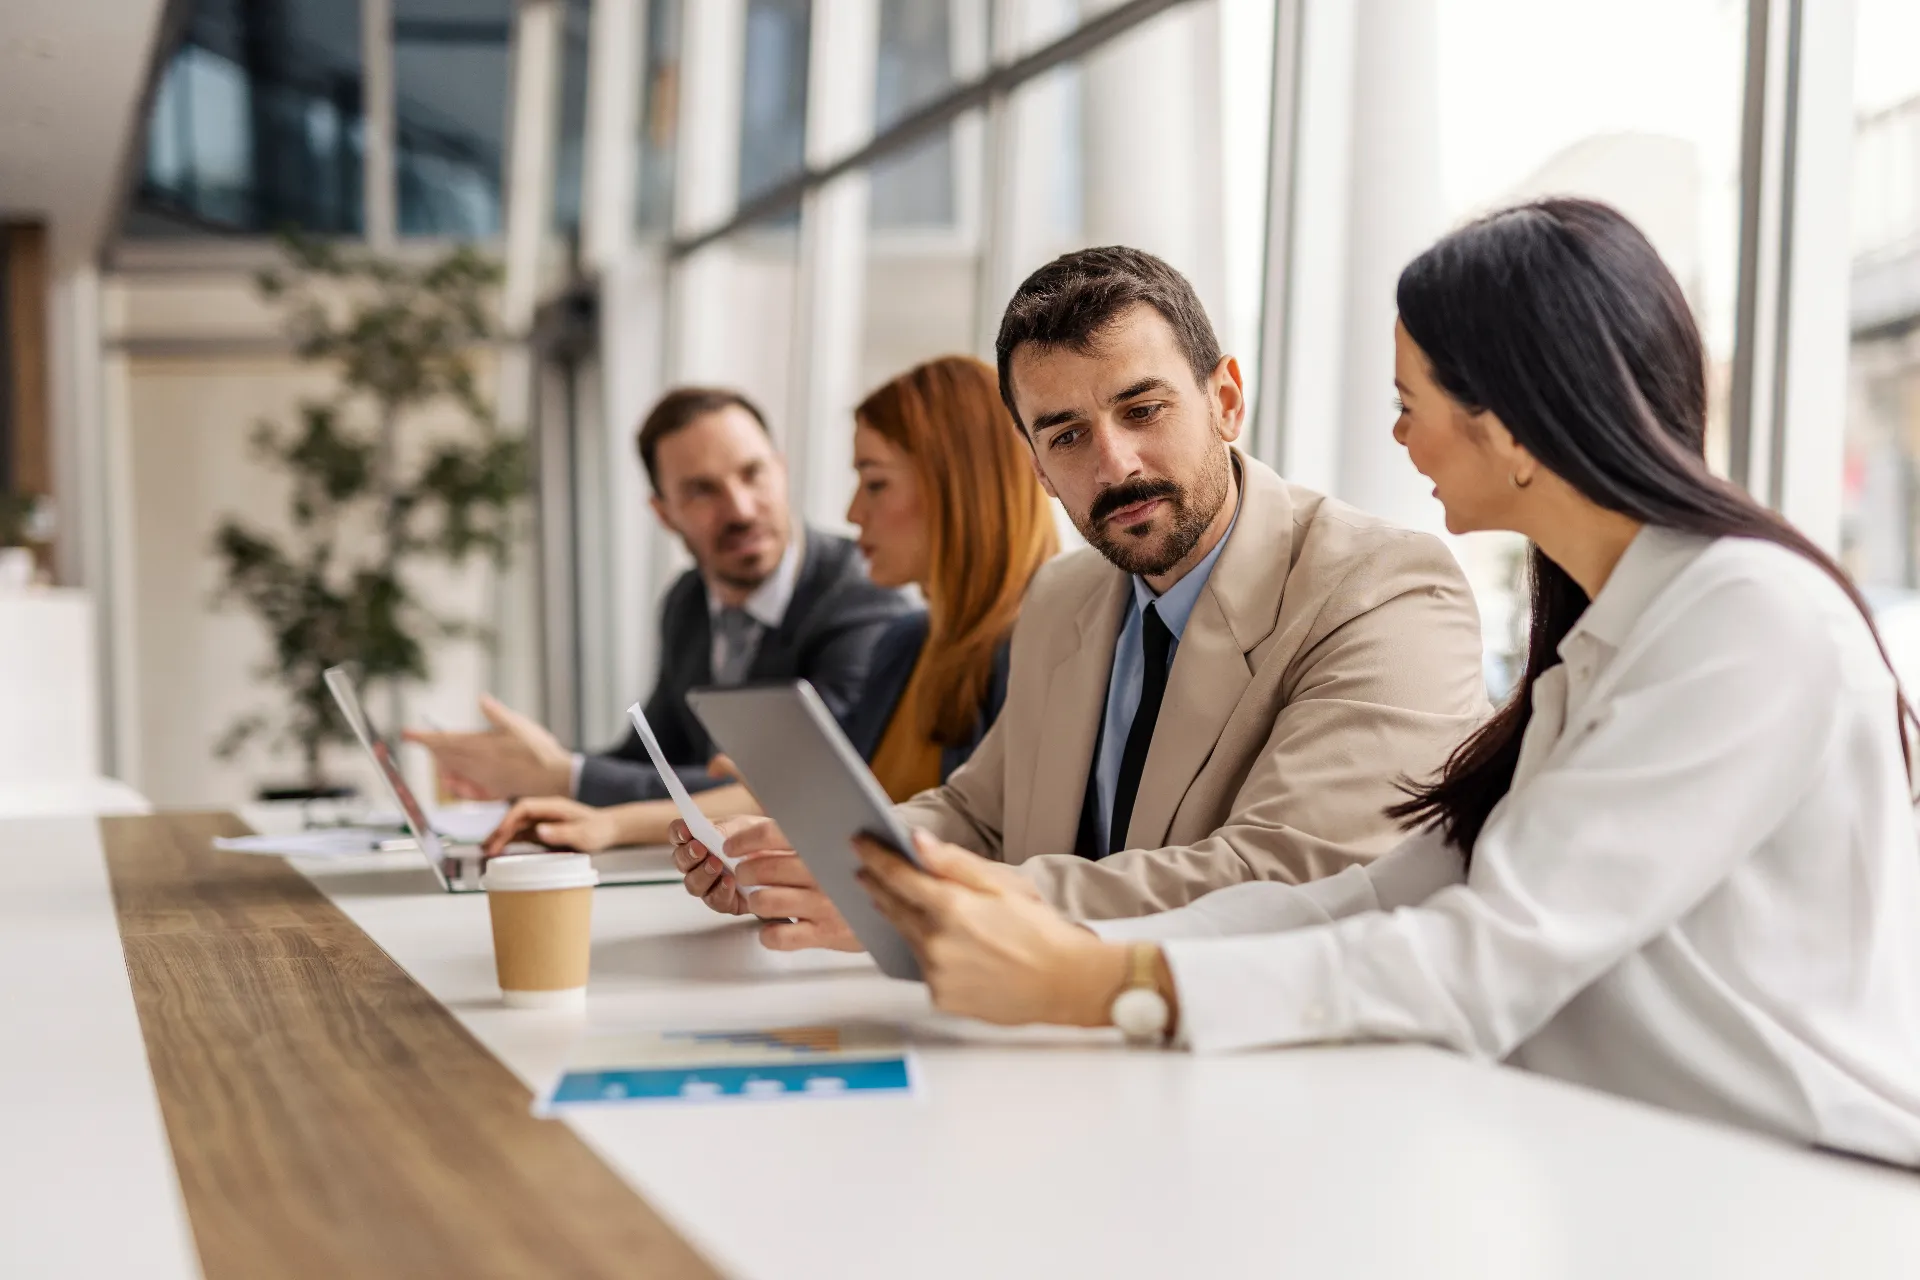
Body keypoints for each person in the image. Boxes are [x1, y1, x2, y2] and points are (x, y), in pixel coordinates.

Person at [850, 199, 1920, 1164]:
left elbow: (1490, 954)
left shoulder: (1746, 620)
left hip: (1791, 1183)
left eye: (1412, 400)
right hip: (1640, 1165)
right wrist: (1060, 940)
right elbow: (1373, 896)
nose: (1399, 434)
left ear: (1512, 416)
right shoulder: (1606, 635)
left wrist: (1110, 984)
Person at [673, 245, 1490, 949]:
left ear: (1226, 400)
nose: (1114, 464)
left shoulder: (1384, 591)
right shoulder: (1064, 597)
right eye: (1066, 435)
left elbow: (1283, 878)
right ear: (1035, 465)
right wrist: (821, 857)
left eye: (1144, 409)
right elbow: (979, 816)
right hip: (1051, 1036)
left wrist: (925, 896)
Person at [480, 356, 1058, 852]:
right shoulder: (903, 644)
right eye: (701, 490)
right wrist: (554, 779)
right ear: (663, 513)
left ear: (956, 489)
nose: (852, 513)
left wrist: (577, 787)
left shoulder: (885, 615)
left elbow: (892, 819)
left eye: (876, 483)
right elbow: (830, 798)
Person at [405, 386, 909, 816]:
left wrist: (564, 776)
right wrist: (525, 769)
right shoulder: (688, 602)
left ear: (781, 470)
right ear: (664, 513)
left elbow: (796, 785)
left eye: (753, 473)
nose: (739, 509)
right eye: (702, 491)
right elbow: (654, 759)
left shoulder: (864, 598)